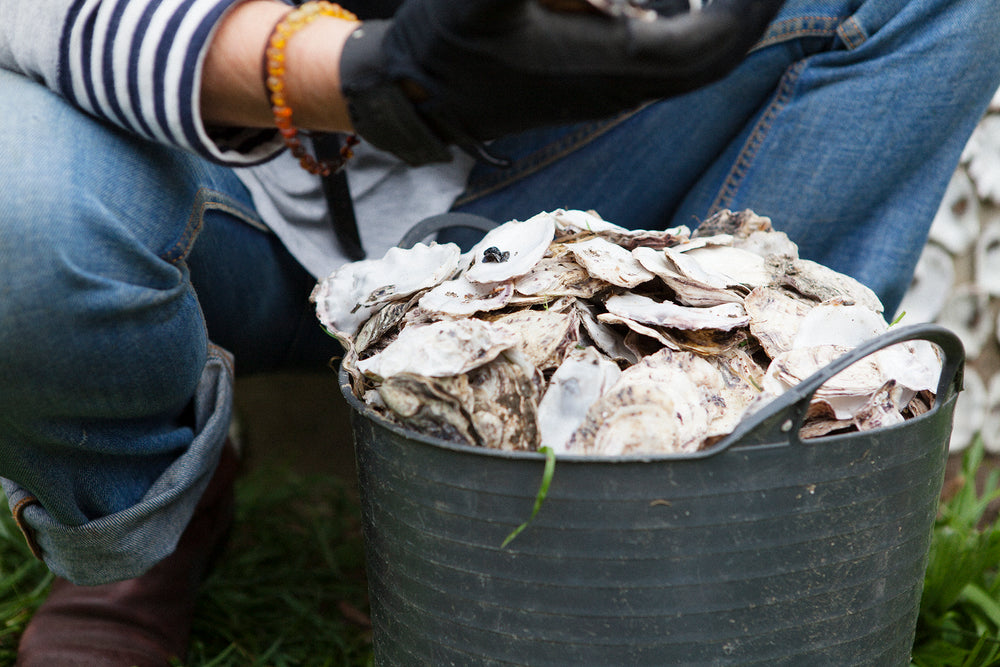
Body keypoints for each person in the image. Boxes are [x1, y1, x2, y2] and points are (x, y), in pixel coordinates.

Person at [1, 0, 997, 663]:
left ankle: (699, 491)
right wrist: (347, 72)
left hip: (538, 151)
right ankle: (140, 515)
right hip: (195, 158)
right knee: (18, 208)